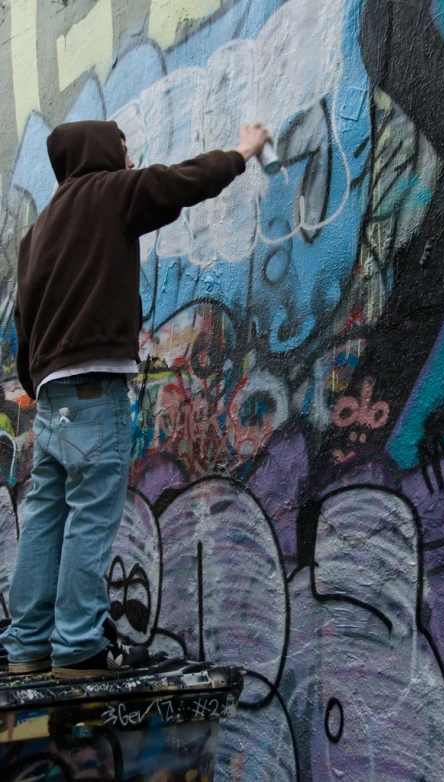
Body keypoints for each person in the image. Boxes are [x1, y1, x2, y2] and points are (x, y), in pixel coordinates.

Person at [1, 118, 270, 678]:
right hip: (94, 392)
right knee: (91, 519)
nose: (131, 160)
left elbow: (25, 326)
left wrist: (40, 384)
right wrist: (241, 152)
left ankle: (27, 645)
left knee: (46, 518)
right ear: (100, 153)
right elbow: (178, 182)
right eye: (123, 151)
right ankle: (78, 645)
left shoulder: (36, 232)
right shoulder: (109, 194)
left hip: (51, 401)